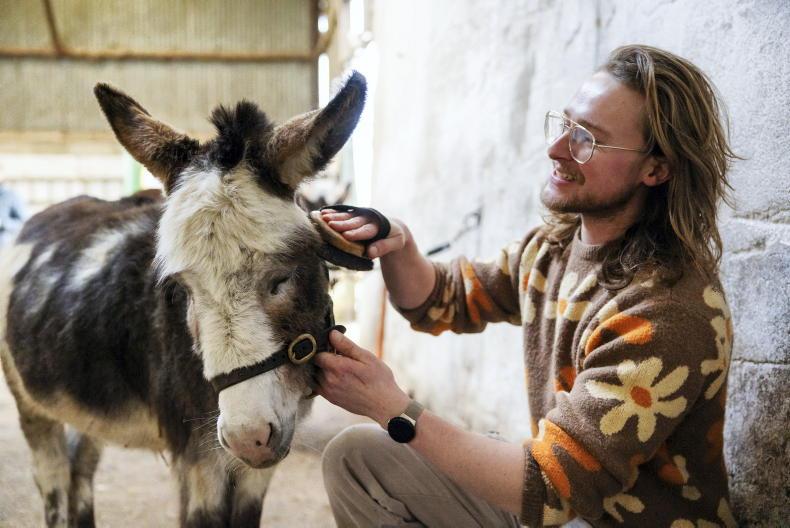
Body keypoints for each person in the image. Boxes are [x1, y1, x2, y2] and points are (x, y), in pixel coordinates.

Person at [313, 45, 738, 527]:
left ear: (656, 169)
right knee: (356, 458)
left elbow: (551, 486)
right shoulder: (554, 249)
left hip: (599, 515)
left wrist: (393, 408)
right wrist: (397, 241)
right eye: (565, 124)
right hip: (559, 504)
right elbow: (441, 300)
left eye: (587, 140)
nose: (556, 149)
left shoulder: (666, 310)